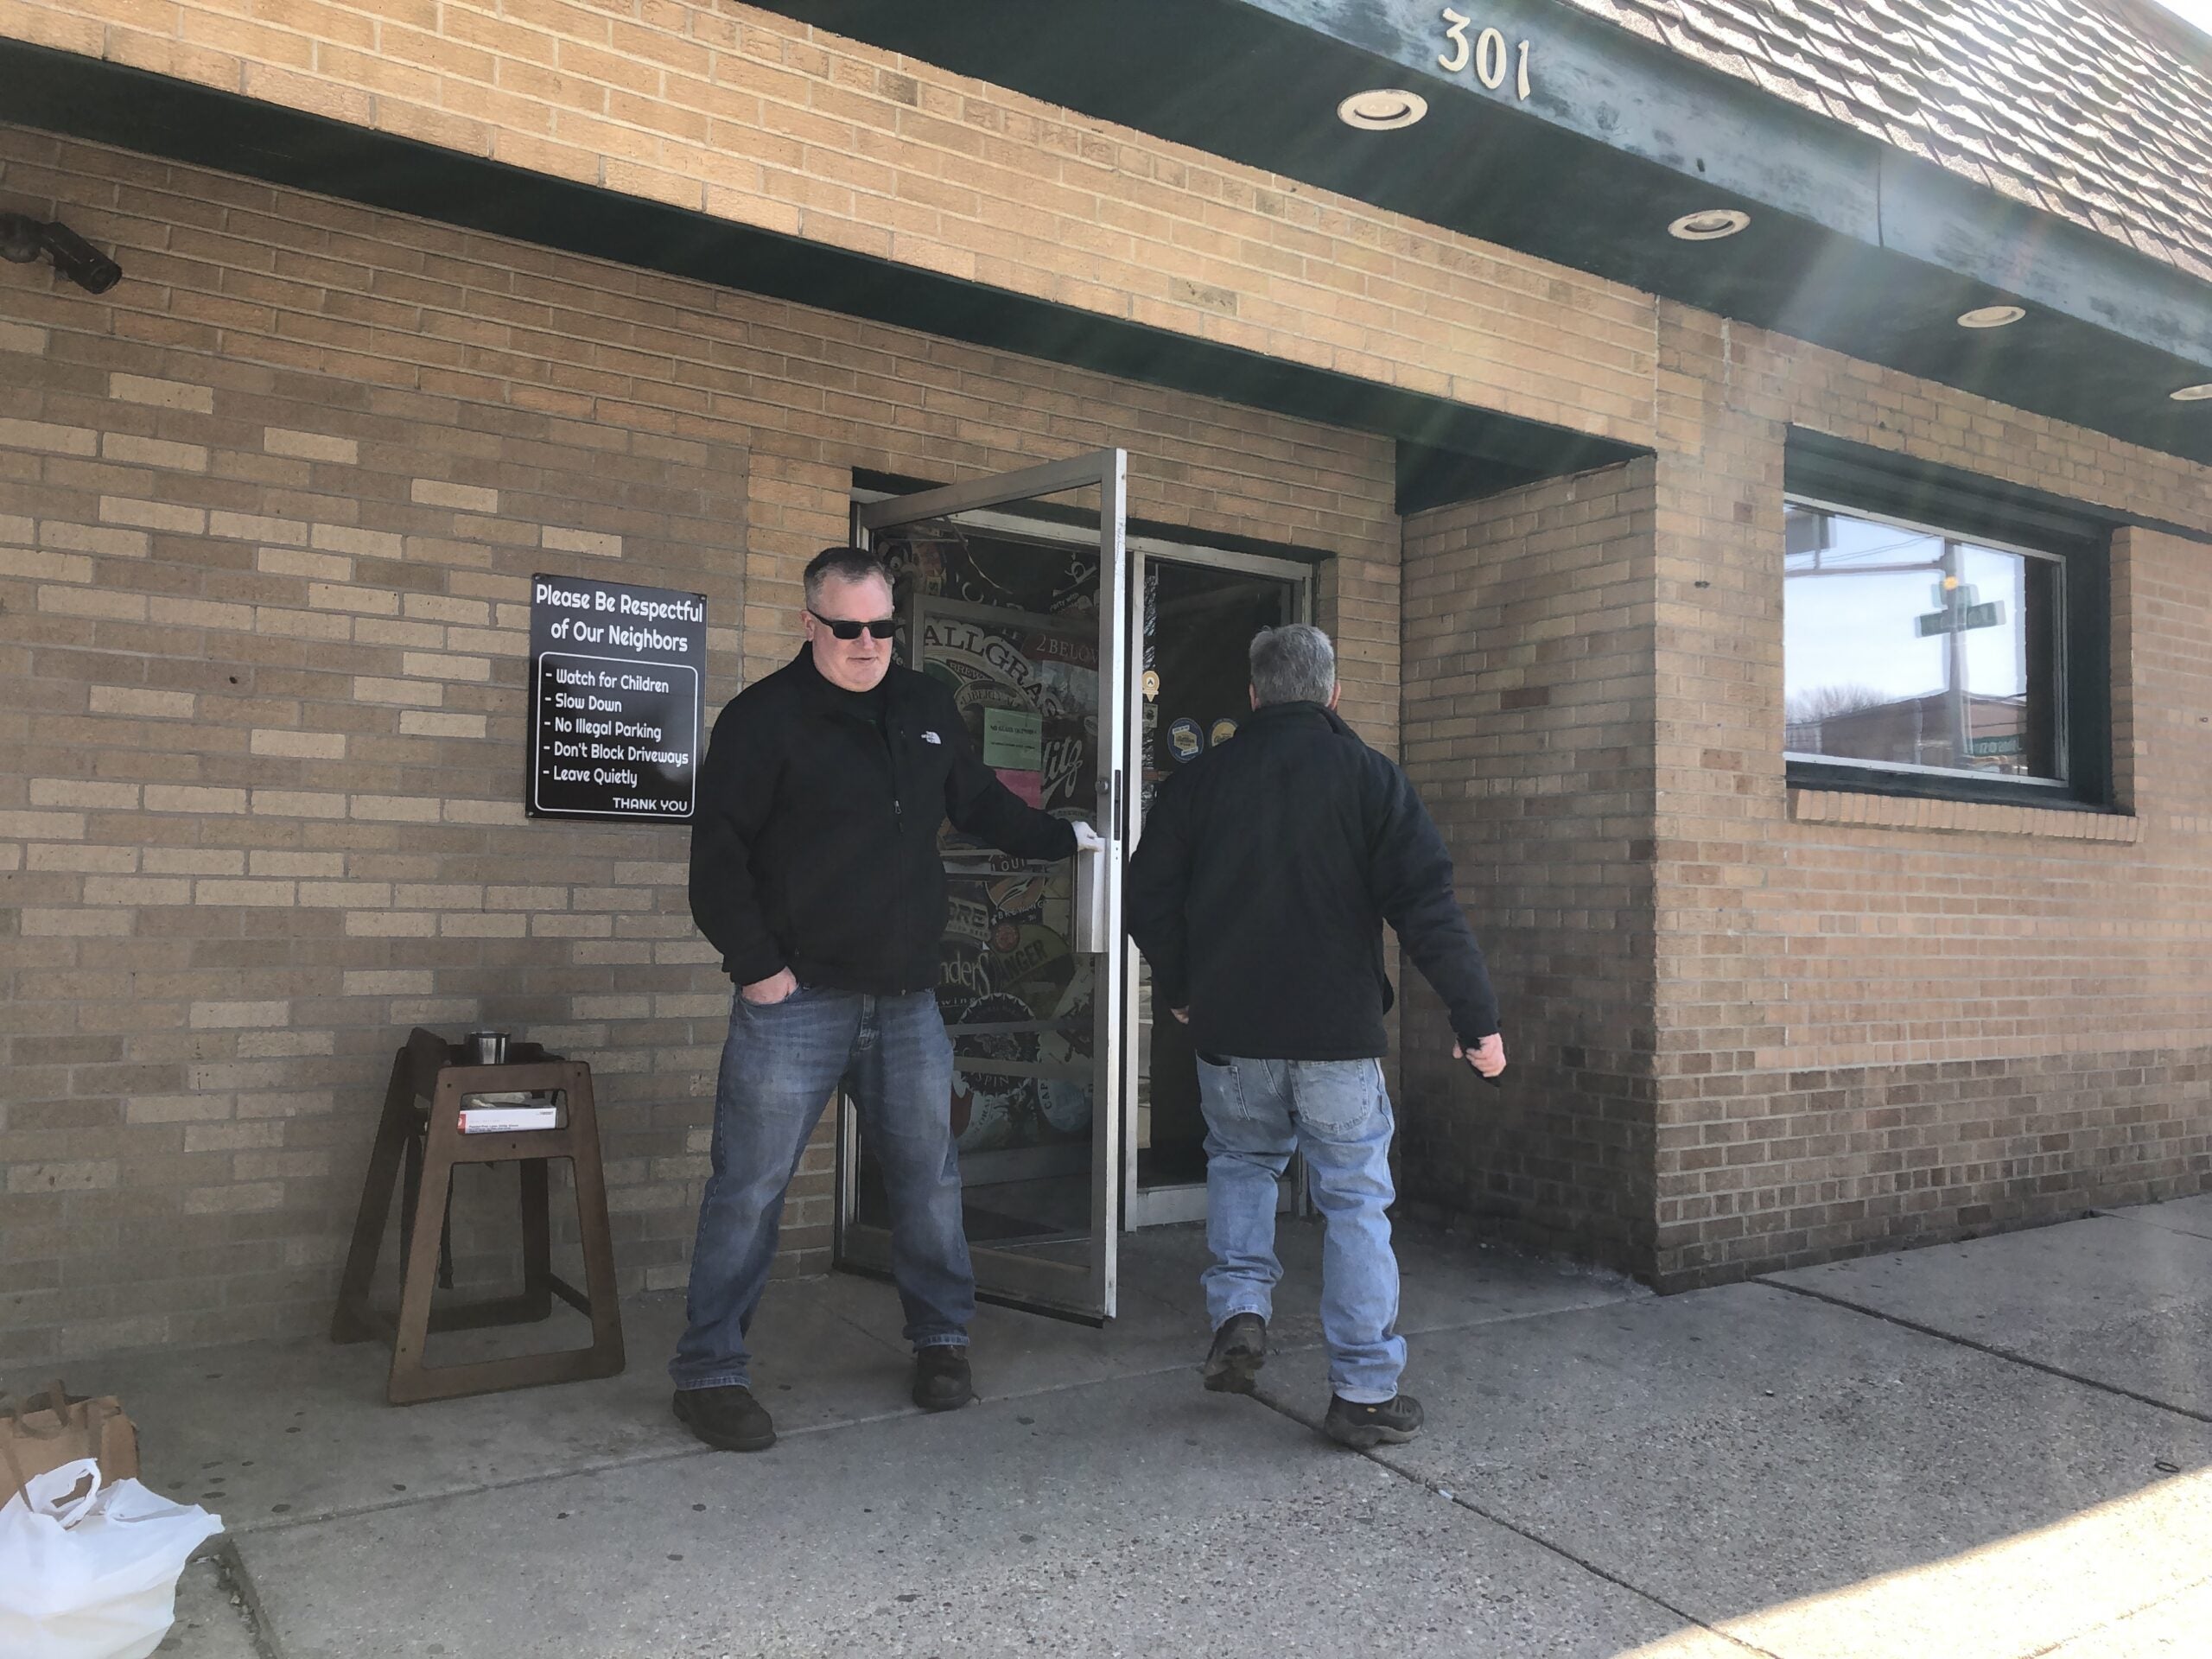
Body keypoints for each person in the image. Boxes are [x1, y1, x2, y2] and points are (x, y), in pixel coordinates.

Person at [674, 544, 1098, 1452]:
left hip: (906, 1000)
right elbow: (716, 863)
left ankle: (941, 1340)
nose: (867, 644)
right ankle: (709, 1372)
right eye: (847, 628)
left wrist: (1070, 839)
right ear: (809, 623)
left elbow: (980, 804)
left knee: (928, 1181)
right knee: (749, 1189)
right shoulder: (762, 720)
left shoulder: (925, 706)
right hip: (796, 1002)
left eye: (881, 627)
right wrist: (759, 968)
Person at [1125, 623, 1505, 1450]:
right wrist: (1476, 1019)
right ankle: (1363, 1392)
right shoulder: (1371, 779)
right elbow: (1427, 907)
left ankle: (1239, 1312)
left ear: (1253, 695)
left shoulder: (1201, 781)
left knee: (1241, 1164)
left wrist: (1184, 988)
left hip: (1233, 1033)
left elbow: (1145, 895)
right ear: (1334, 694)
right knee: (1355, 1203)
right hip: (1337, 1035)